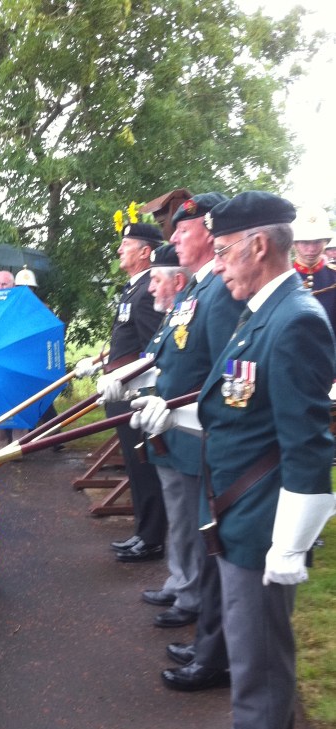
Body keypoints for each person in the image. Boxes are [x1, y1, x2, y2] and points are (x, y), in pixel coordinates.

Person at [131, 190, 336, 729]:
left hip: (264, 514)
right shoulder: (257, 314)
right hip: (237, 505)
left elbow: (309, 447)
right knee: (247, 644)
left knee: (261, 648)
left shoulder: (296, 320)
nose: (217, 267)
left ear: (258, 245)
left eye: (222, 252)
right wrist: (174, 408)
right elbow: (234, 410)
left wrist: (293, 544)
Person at [136, 194, 243, 677]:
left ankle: (208, 634)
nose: (174, 236)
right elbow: (169, 351)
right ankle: (204, 630)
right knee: (190, 521)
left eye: (184, 229)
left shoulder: (218, 293)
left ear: (209, 231)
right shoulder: (196, 291)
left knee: (204, 529)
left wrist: (187, 410)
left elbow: (226, 374)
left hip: (202, 431)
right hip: (176, 425)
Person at [79, 222, 168, 562]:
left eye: (126, 244)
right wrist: (100, 361)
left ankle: (152, 538)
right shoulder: (134, 288)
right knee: (134, 466)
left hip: (136, 392)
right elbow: (126, 340)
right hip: (121, 390)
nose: (119, 250)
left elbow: (153, 348)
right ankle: (142, 532)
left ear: (145, 251)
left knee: (144, 466)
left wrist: (126, 373)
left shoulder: (148, 289)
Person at [0, 269, 32, 451]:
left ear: (13, 285)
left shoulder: (23, 305)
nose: (0, 288)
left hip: (18, 363)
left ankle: (18, 446)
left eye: (4, 284)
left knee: (19, 405)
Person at [291, 206, 336, 333]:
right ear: (294, 243)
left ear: (326, 242)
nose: (311, 249)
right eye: (305, 242)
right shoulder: (282, 278)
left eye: (317, 242)